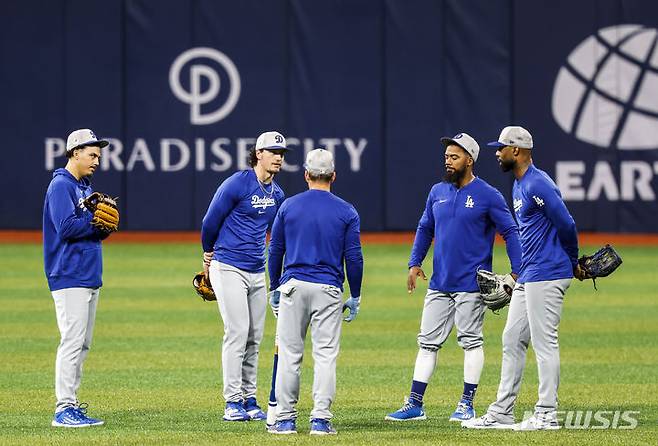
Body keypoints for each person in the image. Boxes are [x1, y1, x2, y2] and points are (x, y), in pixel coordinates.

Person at [385, 132, 521, 423]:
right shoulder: (437, 192)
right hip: (439, 283)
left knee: (471, 342)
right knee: (426, 343)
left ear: (469, 160)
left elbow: (510, 232)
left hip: (471, 285)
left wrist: (516, 271)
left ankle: (466, 404)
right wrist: (414, 262)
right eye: (446, 156)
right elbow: (425, 227)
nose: (448, 161)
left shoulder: (488, 195)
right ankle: (415, 404)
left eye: (454, 156)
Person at [463, 126, 587, 431]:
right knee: (512, 338)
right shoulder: (519, 185)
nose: (496, 152)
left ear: (516, 151)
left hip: (548, 272)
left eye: (501, 147)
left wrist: (571, 261)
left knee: (545, 343)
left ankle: (547, 413)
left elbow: (567, 224)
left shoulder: (537, 184)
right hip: (531, 273)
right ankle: (502, 412)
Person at [267, 149, 364, 435]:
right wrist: (355, 294)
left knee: (289, 355)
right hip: (328, 289)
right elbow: (354, 258)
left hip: (293, 286)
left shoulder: (288, 206)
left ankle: (285, 420)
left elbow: (275, 251)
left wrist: (275, 286)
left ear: (306, 174)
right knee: (324, 357)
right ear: (333, 176)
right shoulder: (346, 210)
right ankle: (320, 420)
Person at [201, 131, 289, 422]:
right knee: (237, 332)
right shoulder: (237, 183)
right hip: (227, 267)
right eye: (273, 151)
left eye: (282, 153)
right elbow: (210, 221)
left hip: (256, 270)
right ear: (258, 154)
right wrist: (207, 253)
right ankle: (232, 402)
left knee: (255, 336)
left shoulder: (277, 194)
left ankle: (250, 399)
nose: (278, 157)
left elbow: (276, 238)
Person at [44, 128, 114, 427]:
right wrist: (95, 222)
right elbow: (67, 228)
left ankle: (71, 403)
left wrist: (103, 228)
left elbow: (91, 230)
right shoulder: (62, 185)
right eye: (92, 154)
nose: (97, 160)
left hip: (87, 273)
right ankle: (63, 409)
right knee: (72, 342)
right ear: (75, 152)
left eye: (99, 155)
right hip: (68, 273)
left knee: (82, 344)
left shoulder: (84, 186)